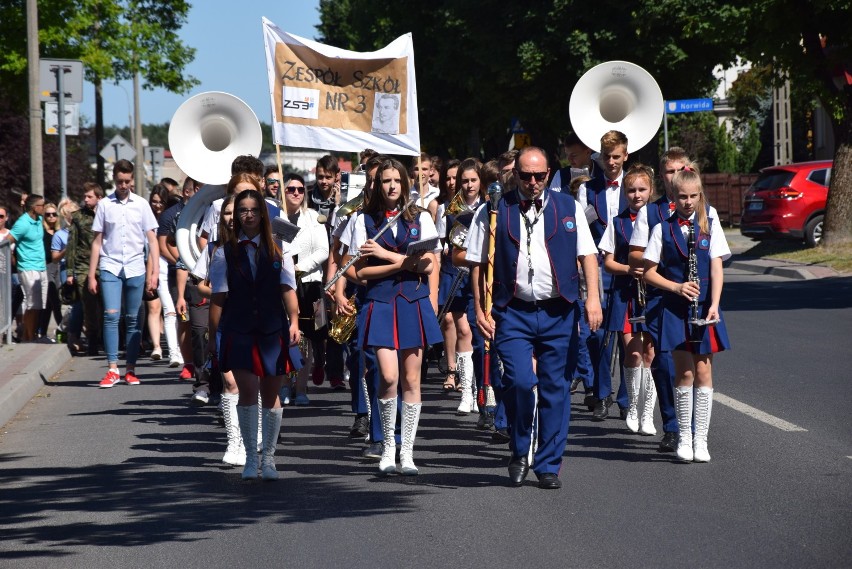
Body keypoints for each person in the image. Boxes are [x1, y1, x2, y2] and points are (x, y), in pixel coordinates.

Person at [466, 146, 602, 489]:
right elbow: (477, 262)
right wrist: (481, 309)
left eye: (539, 176)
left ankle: (548, 464)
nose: (532, 182)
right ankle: (519, 448)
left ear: (548, 174)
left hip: (559, 309)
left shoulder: (568, 206)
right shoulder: (495, 209)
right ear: (516, 175)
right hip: (512, 311)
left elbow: (587, 255)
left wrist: (593, 300)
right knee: (520, 382)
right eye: (525, 175)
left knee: (556, 388)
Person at [344, 158, 442, 475]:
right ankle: (388, 446)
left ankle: (408, 453)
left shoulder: (421, 217)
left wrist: (387, 255)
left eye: (397, 180)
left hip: (413, 301)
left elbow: (428, 265)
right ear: (377, 184)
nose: (392, 186)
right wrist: (402, 263)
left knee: (412, 379)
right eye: (386, 180)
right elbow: (359, 271)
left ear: (405, 183)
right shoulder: (363, 220)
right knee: (387, 376)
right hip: (380, 301)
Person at [208, 187, 302, 480]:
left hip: (272, 328)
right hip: (239, 328)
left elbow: (287, 288)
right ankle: (250, 457)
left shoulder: (278, 249)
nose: (248, 215)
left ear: (263, 214)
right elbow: (218, 298)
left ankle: (269, 459)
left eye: (253, 209)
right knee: (247, 391)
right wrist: (214, 336)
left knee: (272, 394)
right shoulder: (224, 252)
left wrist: (295, 321)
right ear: (235, 216)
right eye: (242, 210)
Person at [643, 164, 730, 463]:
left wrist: (715, 304)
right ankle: (684, 436)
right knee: (685, 372)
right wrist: (676, 287)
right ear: (673, 196)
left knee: (704, 371)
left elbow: (717, 267)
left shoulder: (709, 225)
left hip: (705, 307)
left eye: (694, 196)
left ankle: (701, 440)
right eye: (682, 196)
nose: (688, 202)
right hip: (676, 307)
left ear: (700, 195)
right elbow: (648, 273)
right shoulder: (661, 229)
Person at [627, 147, 693, 452]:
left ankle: (694, 429)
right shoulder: (650, 213)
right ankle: (671, 424)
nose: (676, 175)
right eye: (670, 171)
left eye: (682, 168)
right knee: (664, 362)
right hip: (660, 295)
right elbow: (635, 255)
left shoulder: (700, 209)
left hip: (693, 297)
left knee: (695, 364)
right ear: (662, 176)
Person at [89, 159, 159, 388]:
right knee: (110, 315)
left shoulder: (141, 204)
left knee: (133, 319)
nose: (123, 185)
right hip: (110, 265)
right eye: (119, 181)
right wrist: (92, 274)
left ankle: (130, 368)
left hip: (136, 266)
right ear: (114, 180)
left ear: (132, 180)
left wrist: (154, 273)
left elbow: (152, 241)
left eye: (127, 181)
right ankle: (112, 368)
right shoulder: (105, 205)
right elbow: (97, 242)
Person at [598, 164, 657, 435]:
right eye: (631, 190)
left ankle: (648, 413)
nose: (637, 195)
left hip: (654, 294)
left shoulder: (660, 220)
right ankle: (632, 405)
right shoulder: (617, 222)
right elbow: (607, 262)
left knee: (651, 354)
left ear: (651, 191)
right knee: (632, 352)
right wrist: (628, 269)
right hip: (626, 293)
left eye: (642, 189)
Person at [578, 130, 630, 421]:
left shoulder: (635, 186)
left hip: (626, 267)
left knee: (625, 336)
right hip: (597, 267)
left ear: (625, 155)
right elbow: (584, 230)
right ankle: (601, 393)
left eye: (616, 156)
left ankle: (626, 397)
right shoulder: (588, 188)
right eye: (607, 156)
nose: (611, 162)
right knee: (597, 335)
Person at [195, 194, 246, 466]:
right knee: (230, 382)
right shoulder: (214, 247)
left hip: (250, 320)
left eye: (234, 211)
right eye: (226, 212)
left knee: (251, 383)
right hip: (223, 319)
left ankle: (251, 437)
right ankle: (233, 440)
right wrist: (218, 292)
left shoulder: (255, 244)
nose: (230, 216)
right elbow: (200, 283)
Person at [436, 158, 485, 415]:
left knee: (479, 333)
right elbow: (446, 244)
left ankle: (481, 389)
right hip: (457, 274)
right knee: (462, 329)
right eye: (464, 181)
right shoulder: (451, 210)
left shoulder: (489, 207)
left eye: (473, 180)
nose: (468, 185)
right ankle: (466, 391)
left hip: (482, 278)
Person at [281, 173, 329, 406]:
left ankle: (301, 387)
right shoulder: (276, 217)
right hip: (283, 284)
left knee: (311, 336)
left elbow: (323, 251)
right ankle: (283, 385)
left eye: (300, 189)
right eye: (291, 189)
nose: (297, 193)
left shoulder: (314, 218)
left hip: (311, 282)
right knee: (285, 335)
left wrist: (299, 267)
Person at [66, 183, 104, 355]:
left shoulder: (108, 214)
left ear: (99, 198)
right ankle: (93, 341)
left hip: (106, 265)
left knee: (107, 306)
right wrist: (69, 272)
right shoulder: (78, 217)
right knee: (89, 306)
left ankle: (107, 340)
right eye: (85, 196)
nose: (85, 199)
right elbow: (71, 244)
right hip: (84, 267)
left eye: (90, 196)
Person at [146, 184, 181, 364]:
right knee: (165, 311)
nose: (157, 205)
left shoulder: (172, 217)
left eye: (161, 202)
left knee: (178, 310)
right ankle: (168, 350)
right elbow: (155, 251)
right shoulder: (149, 218)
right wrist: (150, 276)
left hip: (174, 268)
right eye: (154, 201)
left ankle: (180, 350)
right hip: (159, 267)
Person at [6, 195, 49, 342]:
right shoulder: (22, 223)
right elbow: (8, 240)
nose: (44, 207)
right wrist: (12, 257)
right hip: (28, 268)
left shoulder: (39, 220)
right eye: (42, 205)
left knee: (38, 305)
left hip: (41, 267)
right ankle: (29, 337)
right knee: (32, 304)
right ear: (33, 207)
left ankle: (29, 335)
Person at [38, 202, 62, 341]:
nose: (51, 217)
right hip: (46, 267)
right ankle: (63, 332)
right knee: (55, 301)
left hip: (58, 268)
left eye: (54, 214)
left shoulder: (59, 232)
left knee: (49, 304)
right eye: (48, 214)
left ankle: (42, 333)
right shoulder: (42, 233)